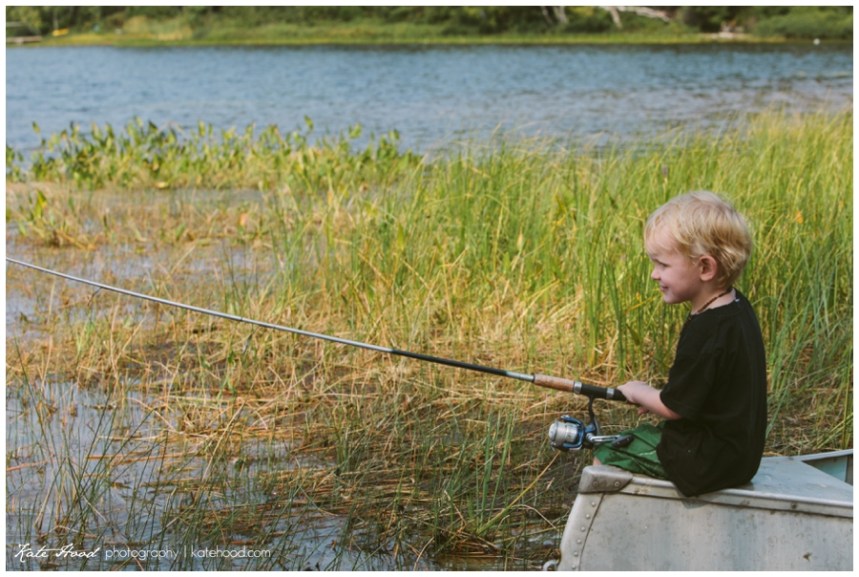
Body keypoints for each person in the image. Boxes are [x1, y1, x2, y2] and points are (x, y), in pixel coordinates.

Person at [593, 191, 767, 497]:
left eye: (662, 265)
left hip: (706, 462)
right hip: (740, 456)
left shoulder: (706, 330)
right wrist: (657, 399)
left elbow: (674, 409)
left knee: (608, 455)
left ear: (705, 268)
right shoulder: (737, 307)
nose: (653, 274)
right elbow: (705, 391)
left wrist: (639, 391)